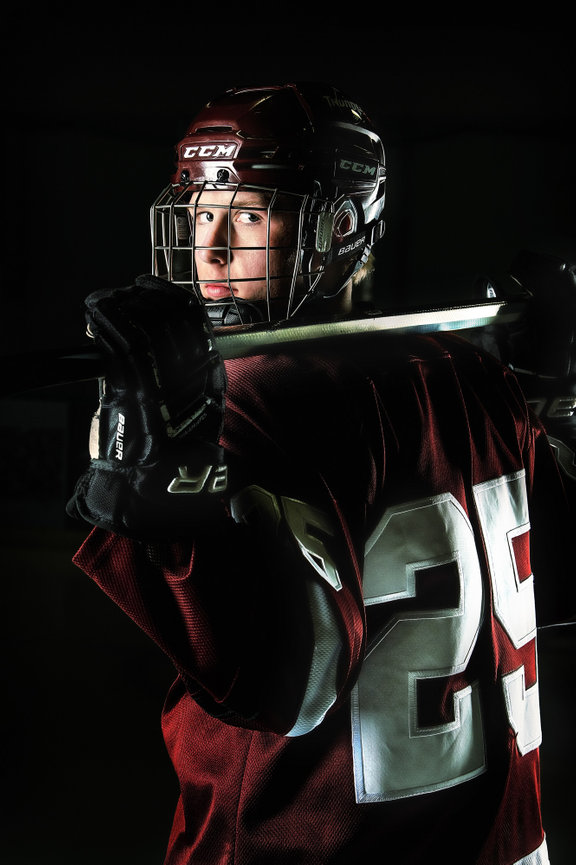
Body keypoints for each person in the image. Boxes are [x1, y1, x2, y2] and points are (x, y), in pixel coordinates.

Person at [66, 83, 574, 864]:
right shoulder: (477, 379)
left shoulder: (255, 400)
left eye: (246, 214)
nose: (212, 252)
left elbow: (287, 685)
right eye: (202, 215)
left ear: (336, 228)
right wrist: (553, 396)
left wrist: (176, 498)